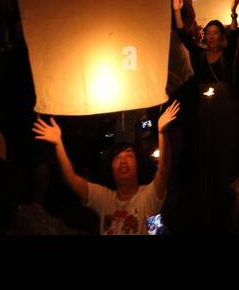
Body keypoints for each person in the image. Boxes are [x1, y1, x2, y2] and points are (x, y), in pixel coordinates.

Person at [32, 101, 179, 235]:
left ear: (138, 164)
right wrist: (58, 143)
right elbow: (71, 178)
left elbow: (163, 170)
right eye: (117, 158)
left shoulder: (148, 197)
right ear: (110, 168)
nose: (123, 161)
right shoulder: (104, 198)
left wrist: (161, 132)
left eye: (128, 156)